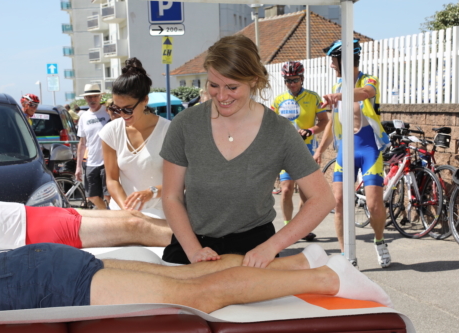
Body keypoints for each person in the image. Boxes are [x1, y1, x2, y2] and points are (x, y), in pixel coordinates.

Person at [160, 35, 335, 267]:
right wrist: (194, 251)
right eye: (213, 85)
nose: (221, 96)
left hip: (254, 252)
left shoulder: (279, 131)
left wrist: (272, 246)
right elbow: (171, 196)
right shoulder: (184, 124)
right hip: (190, 245)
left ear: (253, 80)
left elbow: (322, 198)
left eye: (232, 87)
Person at [0, 242, 393, 313]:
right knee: (186, 277)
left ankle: (326, 278)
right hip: (28, 266)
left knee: (194, 295)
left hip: (36, 283)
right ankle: (300, 263)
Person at [314, 39, 391, 268]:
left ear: (345, 60)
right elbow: (331, 124)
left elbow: (366, 92)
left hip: (368, 149)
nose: (331, 65)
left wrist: (341, 96)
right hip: (346, 150)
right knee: (339, 202)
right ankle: (347, 255)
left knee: (374, 204)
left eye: (333, 60)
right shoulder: (338, 87)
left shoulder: (368, 79)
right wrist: (319, 150)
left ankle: (379, 241)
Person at [0, 199, 172, 253]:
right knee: (135, 225)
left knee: (134, 216)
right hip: (31, 232)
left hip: (32, 214)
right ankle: (200, 241)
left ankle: (200, 232)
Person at [100, 58, 170, 219]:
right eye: (116, 109)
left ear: (145, 100)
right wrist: (129, 212)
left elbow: (181, 182)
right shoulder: (111, 131)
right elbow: (112, 180)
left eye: (128, 109)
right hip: (123, 215)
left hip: (161, 215)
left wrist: (151, 192)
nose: (122, 115)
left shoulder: (169, 131)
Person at [271, 61, 330, 241]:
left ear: (302, 79)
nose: (291, 84)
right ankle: (288, 228)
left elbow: (324, 122)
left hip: (306, 150)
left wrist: (310, 131)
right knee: (287, 189)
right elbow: (272, 125)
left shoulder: (313, 97)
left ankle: (302, 227)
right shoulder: (279, 100)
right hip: (285, 150)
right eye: (287, 81)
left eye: (295, 80)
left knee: (305, 192)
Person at [75, 83, 111, 210]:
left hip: (108, 161)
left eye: (95, 96)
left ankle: (111, 219)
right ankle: (108, 215)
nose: (92, 99)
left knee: (108, 195)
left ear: (100, 97)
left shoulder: (108, 112)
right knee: (92, 196)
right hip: (91, 162)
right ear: (85, 99)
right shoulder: (83, 117)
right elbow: (82, 143)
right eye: (89, 97)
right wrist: (78, 167)